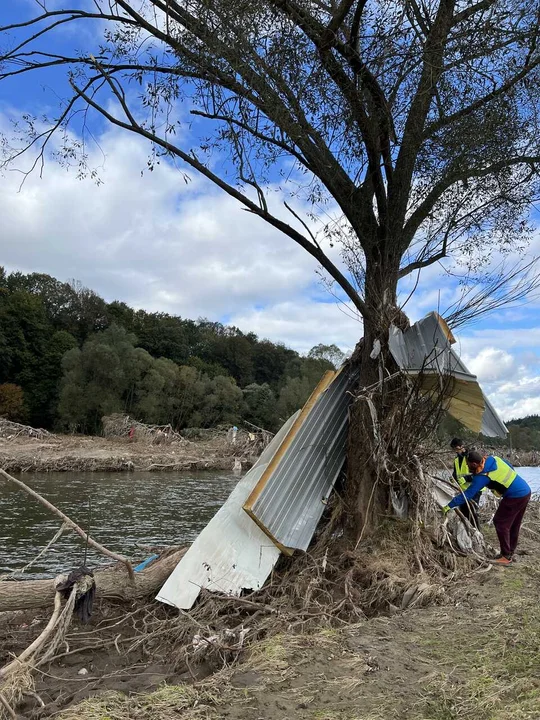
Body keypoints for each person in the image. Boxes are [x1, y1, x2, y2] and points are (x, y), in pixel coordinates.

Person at [443, 451, 531, 565]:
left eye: (468, 464)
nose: (467, 466)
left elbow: (468, 494)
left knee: (500, 522)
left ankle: (506, 556)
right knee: (514, 524)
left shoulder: (483, 477)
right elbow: (509, 465)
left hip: (515, 496)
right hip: (525, 490)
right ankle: (510, 552)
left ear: (474, 464)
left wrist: (449, 505)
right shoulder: (493, 459)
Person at [450, 437, 481, 528]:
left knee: (472, 512)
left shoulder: (471, 456)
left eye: (456, 449)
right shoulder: (456, 459)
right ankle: (468, 531)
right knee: (463, 513)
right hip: (462, 490)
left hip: (474, 489)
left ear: (461, 446)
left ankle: (476, 531)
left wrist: (466, 478)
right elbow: (456, 473)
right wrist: (453, 478)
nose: (455, 451)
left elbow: (479, 473)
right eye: (453, 449)